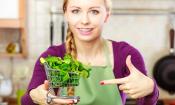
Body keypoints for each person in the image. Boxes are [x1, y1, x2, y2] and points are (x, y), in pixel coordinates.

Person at [21, 0, 159, 104]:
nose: (85, 20)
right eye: (76, 11)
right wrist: (34, 97)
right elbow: (28, 100)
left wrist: (150, 89)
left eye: (94, 11)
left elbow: (145, 100)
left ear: (106, 15)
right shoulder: (52, 57)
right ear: (66, 14)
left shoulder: (126, 55)